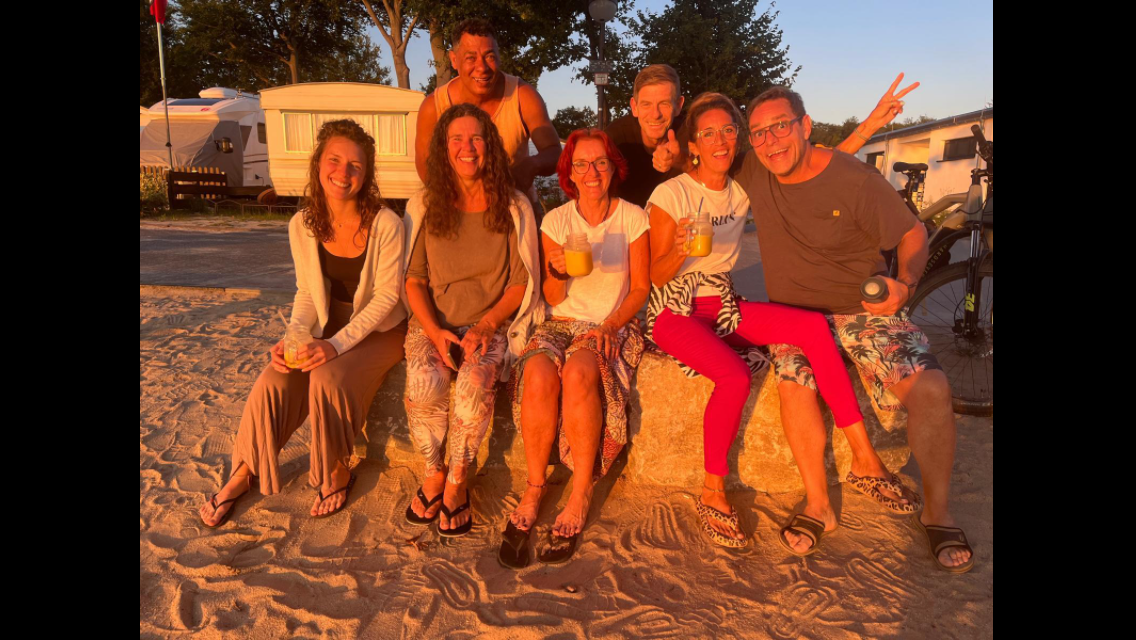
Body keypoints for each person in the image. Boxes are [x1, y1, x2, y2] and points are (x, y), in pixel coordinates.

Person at [735, 85, 974, 573]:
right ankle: (819, 505)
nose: (769, 140)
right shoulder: (756, 170)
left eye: (780, 126)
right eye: (758, 132)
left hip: (863, 311)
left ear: (805, 126)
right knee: (794, 385)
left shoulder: (856, 179)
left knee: (932, 389)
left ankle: (937, 511)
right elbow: (698, 149)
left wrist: (906, 285)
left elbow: (911, 233)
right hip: (795, 317)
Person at [645, 93, 880, 550]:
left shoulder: (742, 187)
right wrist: (678, 249)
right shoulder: (671, 194)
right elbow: (655, 276)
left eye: (728, 131)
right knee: (733, 376)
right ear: (693, 144)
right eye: (708, 133)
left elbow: (817, 163)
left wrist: (868, 127)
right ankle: (712, 490)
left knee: (811, 327)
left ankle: (863, 454)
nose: (720, 141)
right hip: (675, 310)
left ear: (738, 138)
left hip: (723, 303)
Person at [198, 119, 408, 528]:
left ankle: (337, 468)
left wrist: (334, 346)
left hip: (381, 328)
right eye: (335, 160)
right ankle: (244, 470)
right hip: (329, 323)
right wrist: (293, 337)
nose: (343, 172)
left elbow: (386, 297)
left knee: (328, 376)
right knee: (274, 378)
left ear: (366, 175)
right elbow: (308, 292)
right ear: (318, 163)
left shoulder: (386, 223)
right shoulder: (303, 224)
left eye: (355, 166)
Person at [499, 128, 651, 567]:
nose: (591, 172)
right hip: (560, 321)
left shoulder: (632, 218)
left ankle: (581, 490)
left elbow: (640, 288)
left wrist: (612, 324)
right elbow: (552, 296)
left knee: (580, 371)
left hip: (610, 323)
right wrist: (559, 272)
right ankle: (535, 487)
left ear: (613, 167)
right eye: (581, 164)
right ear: (569, 172)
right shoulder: (556, 222)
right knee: (538, 372)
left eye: (600, 162)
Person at [402, 103, 543, 537]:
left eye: (477, 138)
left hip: (491, 324)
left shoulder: (513, 206)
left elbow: (521, 282)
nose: (468, 148)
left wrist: (486, 325)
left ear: (490, 146)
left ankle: (458, 480)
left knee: (473, 385)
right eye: (457, 139)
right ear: (444, 149)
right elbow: (413, 279)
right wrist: (434, 332)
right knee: (424, 383)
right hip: (433, 323)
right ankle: (433, 473)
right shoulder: (425, 205)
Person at [415, 18, 560, 203]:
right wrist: (462, 201)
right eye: (471, 58)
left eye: (490, 57)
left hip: (515, 206)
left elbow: (554, 152)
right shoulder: (433, 107)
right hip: (454, 207)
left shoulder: (523, 96)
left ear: (499, 57)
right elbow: (425, 168)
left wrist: (532, 165)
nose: (482, 67)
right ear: (454, 60)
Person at [604, 64, 686, 208]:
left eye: (664, 104)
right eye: (646, 104)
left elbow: (713, 175)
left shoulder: (692, 134)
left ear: (678, 105)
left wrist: (683, 160)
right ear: (634, 107)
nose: (655, 114)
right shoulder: (614, 138)